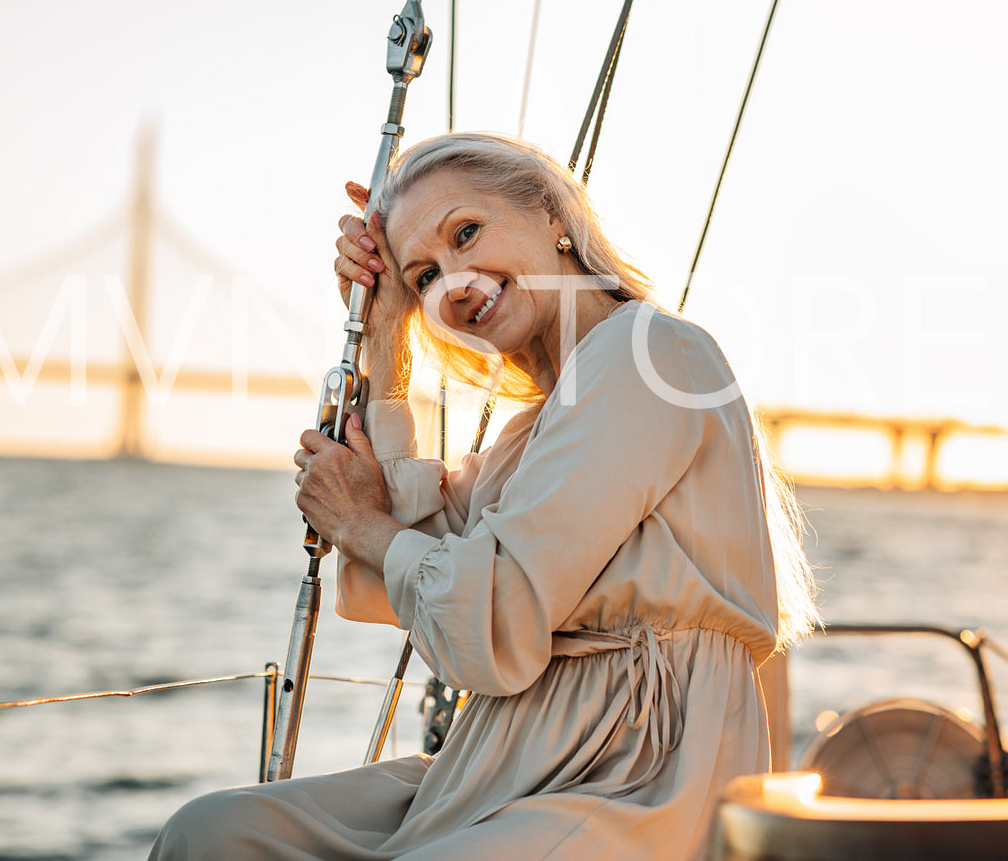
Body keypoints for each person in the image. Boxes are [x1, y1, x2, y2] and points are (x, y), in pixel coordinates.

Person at [150, 132, 818, 860]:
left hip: (637, 768)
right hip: (507, 751)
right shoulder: (527, 434)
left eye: (466, 232)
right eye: (424, 274)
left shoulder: (648, 353)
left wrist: (357, 520)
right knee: (211, 832)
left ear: (552, 215)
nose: (454, 282)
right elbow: (410, 576)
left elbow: (486, 617)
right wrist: (383, 339)